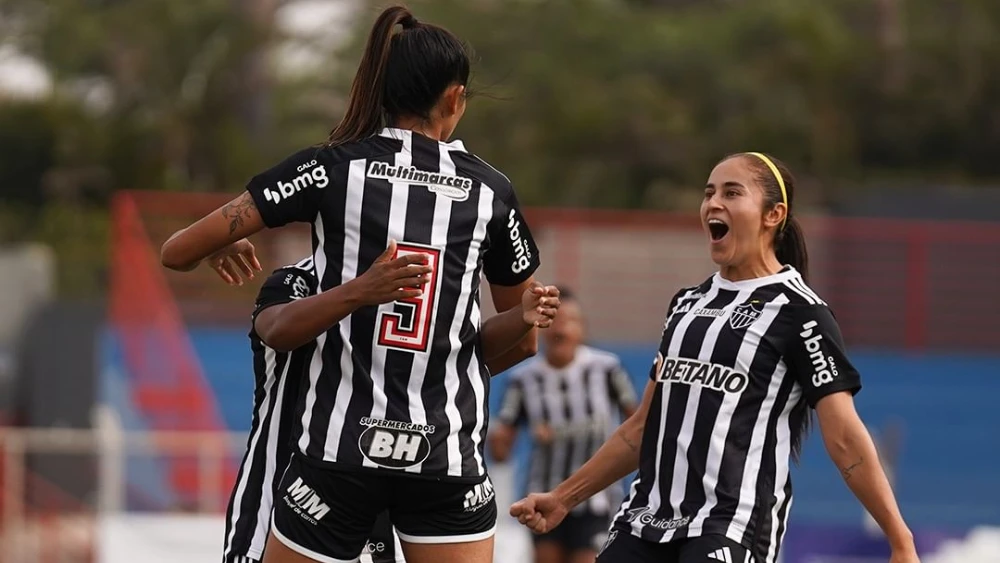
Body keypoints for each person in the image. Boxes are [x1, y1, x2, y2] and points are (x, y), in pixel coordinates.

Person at [160, 5, 561, 563]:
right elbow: (522, 341)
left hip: (337, 457)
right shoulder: (491, 192)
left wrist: (217, 244)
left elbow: (176, 251)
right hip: (445, 460)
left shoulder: (330, 168)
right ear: (454, 98)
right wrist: (497, 334)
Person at [509, 152, 920, 563]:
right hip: (644, 522)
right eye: (709, 193)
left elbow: (845, 437)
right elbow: (641, 430)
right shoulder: (687, 304)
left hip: (730, 526)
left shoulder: (800, 313)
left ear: (773, 214)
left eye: (731, 192)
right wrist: (563, 498)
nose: (713, 203)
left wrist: (899, 539)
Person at [221, 256, 405, 563]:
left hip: (372, 510)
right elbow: (279, 331)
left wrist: (518, 324)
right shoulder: (298, 279)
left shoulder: (413, 288)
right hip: (276, 498)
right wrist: (360, 290)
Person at [489, 288, 638, 563]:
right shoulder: (524, 380)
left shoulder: (607, 369)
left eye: (570, 320)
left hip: (596, 498)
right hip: (543, 492)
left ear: (581, 329)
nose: (562, 328)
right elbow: (501, 449)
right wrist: (495, 437)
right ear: (543, 327)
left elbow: (638, 423)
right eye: (556, 320)